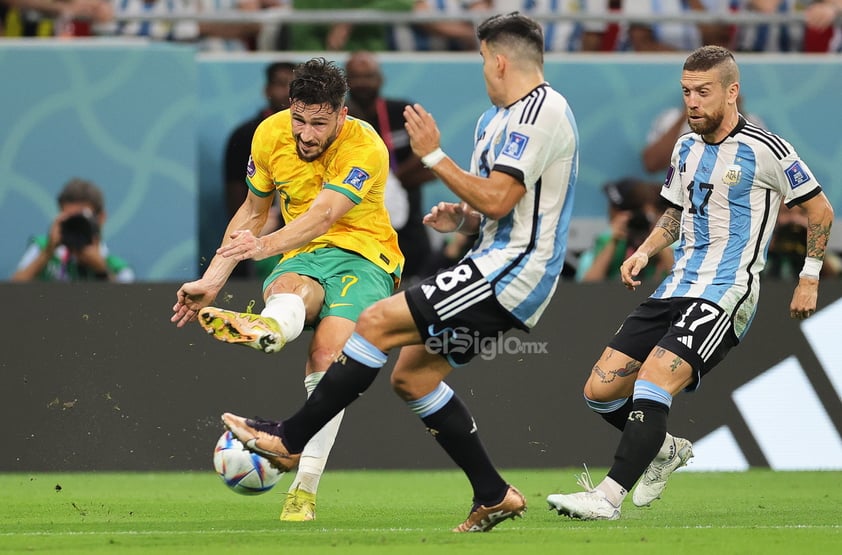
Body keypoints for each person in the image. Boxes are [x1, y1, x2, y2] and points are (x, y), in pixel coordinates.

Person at [218, 12, 579, 532]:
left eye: (481, 59)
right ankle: (494, 494)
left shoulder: (542, 111)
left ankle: (290, 438)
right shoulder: (493, 120)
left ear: (499, 60)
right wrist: (464, 217)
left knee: (374, 325)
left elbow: (501, 198)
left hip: (516, 267)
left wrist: (433, 155)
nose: (482, 70)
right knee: (413, 378)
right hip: (492, 259)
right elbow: (495, 205)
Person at [547, 45, 834, 521]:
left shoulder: (767, 149)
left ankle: (608, 497)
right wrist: (644, 251)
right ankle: (664, 449)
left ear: (732, 91)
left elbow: (819, 208)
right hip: (675, 285)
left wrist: (809, 277)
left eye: (703, 92)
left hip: (726, 292)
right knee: (598, 392)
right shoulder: (684, 147)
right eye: (686, 92)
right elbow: (677, 214)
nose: (692, 102)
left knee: (654, 380)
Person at [171, 57, 404, 522]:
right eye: (299, 119)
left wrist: (259, 248)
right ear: (289, 108)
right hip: (299, 252)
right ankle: (272, 327)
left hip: (364, 255)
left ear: (341, 114)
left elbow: (322, 216)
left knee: (325, 359)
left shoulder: (366, 146)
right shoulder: (270, 134)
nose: (306, 134)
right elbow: (252, 213)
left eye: (319, 123)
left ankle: (304, 489)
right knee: (291, 286)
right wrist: (213, 280)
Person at [344, 50, 438, 285]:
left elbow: (429, 160)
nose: (363, 83)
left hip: (409, 229)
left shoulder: (402, 112)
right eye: (356, 77)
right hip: (357, 228)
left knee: (415, 288)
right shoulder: (337, 118)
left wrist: (392, 178)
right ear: (346, 82)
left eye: (369, 76)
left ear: (380, 79)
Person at [223, 60, 295, 280]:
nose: (288, 92)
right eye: (281, 84)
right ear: (267, 90)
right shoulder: (246, 135)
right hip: (265, 221)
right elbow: (240, 201)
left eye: (295, 85)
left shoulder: (317, 134)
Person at [11, 178, 134, 282]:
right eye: (69, 218)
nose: (76, 224)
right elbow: (12, 295)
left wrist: (101, 270)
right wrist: (47, 252)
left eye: (82, 218)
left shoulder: (118, 269)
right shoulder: (42, 248)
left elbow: (129, 307)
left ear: (101, 218)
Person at [576, 178, 673, 283]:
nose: (611, 211)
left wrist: (655, 234)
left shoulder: (668, 240)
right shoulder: (607, 240)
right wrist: (614, 241)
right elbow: (589, 286)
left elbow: (678, 275)